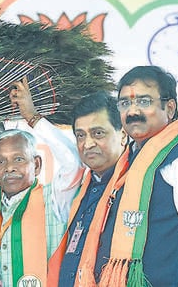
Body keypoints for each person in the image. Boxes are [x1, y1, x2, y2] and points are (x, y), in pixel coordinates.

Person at [75, 66, 178, 286]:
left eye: (144, 101)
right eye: (125, 103)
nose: (132, 112)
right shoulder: (125, 162)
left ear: (169, 108)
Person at [46, 91, 128, 286]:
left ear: (123, 135)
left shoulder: (138, 188)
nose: (87, 144)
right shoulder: (80, 190)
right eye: (80, 135)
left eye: (98, 133)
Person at [0, 128, 79, 287]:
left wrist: (35, 120)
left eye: (18, 159)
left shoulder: (54, 198)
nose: (9, 168)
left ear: (36, 164)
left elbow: (73, 162)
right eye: (1, 162)